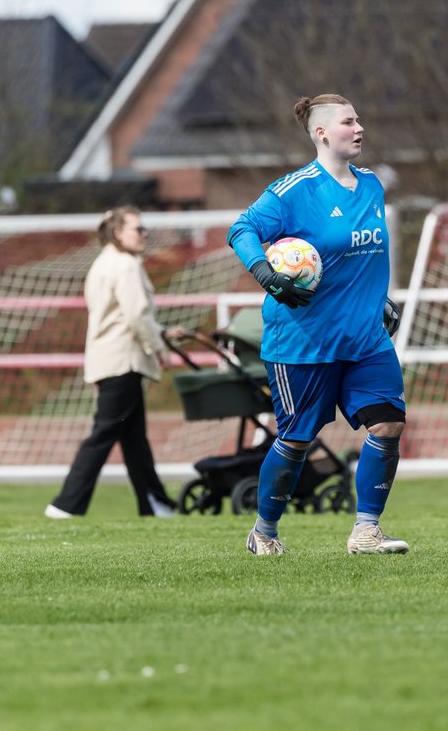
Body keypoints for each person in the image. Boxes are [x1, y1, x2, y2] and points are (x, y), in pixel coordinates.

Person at [227, 93, 407, 556]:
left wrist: (377, 295)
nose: (359, 127)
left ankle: (366, 531)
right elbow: (242, 229)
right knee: (299, 438)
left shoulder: (371, 186)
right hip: (303, 341)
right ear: (321, 133)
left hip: (365, 337)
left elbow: (360, 253)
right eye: (349, 121)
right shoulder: (293, 191)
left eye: (360, 119)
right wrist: (266, 274)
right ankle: (263, 532)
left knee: (387, 424)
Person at [45, 206, 188, 519]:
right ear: (117, 232)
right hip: (122, 361)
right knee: (104, 434)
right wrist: (157, 347)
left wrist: (161, 333)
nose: (144, 234)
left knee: (134, 439)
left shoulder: (104, 263)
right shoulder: (126, 265)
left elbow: (122, 316)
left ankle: (155, 503)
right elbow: (135, 315)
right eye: (138, 228)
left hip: (111, 357)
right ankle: (66, 504)